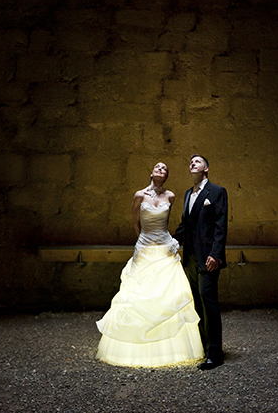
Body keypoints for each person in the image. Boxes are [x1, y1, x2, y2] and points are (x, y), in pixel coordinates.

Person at [96, 161, 204, 367]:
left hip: (164, 247)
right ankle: (134, 348)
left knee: (167, 292)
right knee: (140, 293)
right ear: (151, 172)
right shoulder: (139, 195)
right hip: (145, 246)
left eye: (165, 169)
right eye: (158, 167)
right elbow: (135, 221)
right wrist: (141, 242)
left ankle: (172, 348)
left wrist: (169, 242)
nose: (161, 169)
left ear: (166, 176)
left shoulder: (170, 196)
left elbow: (167, 222)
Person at [173, 154, 228, 370]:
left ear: (206, 168)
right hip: (191, 258)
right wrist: (169, 242)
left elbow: (220, 226)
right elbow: (185, 225)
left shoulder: (216, 192)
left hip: (208, 257)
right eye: (190, 162)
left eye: (197, 161)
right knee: (197, 302)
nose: (192, 164)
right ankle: (204, 348)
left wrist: (215, 254)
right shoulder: (188, 194)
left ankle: (215, 354)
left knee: (209, 302)